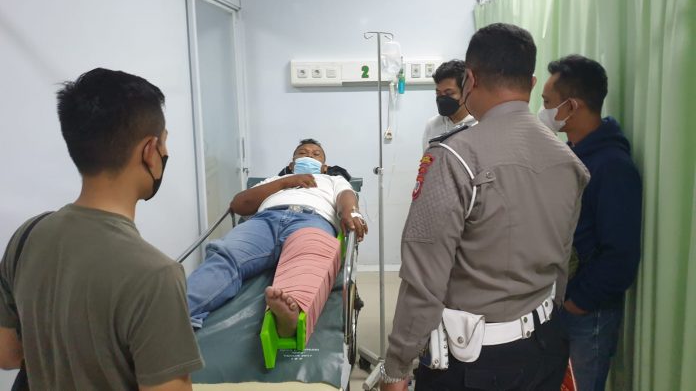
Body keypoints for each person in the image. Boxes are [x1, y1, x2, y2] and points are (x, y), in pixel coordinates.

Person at [381, 23, 590, 391]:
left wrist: (397, 366)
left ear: (471, 80)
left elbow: (423, 281)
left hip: (475, 362)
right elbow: (561, 263)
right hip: (546, 345)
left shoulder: (454, 158)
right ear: (531, 81)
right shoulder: (569, 162)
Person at [0, 68, 203, 390]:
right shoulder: (156, 275)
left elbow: (7, 355)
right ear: (150, 151)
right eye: (164, 143)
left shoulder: (26, 237)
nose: (165, 153)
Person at [186, 138, 367, 340]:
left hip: (312, 220)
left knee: (310, 256)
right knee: (226, 254)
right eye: (302, 153)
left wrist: (350, 212)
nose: (309, 156)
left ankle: (289, 314)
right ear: (291, 164)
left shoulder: (332, 180)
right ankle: (180, 310)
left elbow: (346, 197)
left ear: (325, 167)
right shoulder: (274, 181)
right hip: (265, 221)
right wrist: (285, 182)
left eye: (316, 154)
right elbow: (238, 204)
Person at [539, 55, 642, 391]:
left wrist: (576, 303)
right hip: (562, 305)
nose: (543, 111)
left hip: (588, 314)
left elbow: (620, 255)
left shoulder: (612, 167)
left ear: (572, 106)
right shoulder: (575, 154)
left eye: (547, 103)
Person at [422, 59, 476, 151]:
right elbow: (428, 158)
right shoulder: (432, 125)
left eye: (449, 93)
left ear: (466, 92)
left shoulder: (478, 125)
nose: (442, 98)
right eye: (438, 93)